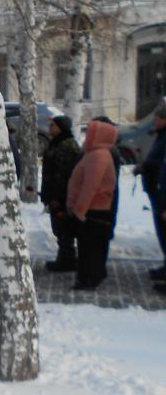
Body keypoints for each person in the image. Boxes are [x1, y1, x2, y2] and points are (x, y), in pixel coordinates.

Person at [67, 118, 119, 291]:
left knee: (90, 247)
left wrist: (80, 210)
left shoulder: (99, 156)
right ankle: (91, 276)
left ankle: (89, 278)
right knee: (91, 246)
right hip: (93, 209)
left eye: (90, 132)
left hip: (93, 210)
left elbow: (90, 185)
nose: (87, 135)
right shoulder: (96, 153)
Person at [40, 115, 82, 272]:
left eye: (53, 126)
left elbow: (65, 175)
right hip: (55, 194)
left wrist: (58, 197)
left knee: (64, 228)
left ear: (61, 127)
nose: (50, 128)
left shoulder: (67, 145)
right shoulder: (57, 143)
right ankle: (65, 256)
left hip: (61, 196)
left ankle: (67, 258)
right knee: (60, 228)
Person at [134, 102, 166, 282]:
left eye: (158, 118)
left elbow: (161, 166)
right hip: (157, 191)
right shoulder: (160, 136)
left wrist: (146, 166)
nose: (155, 121)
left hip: (162, 193)